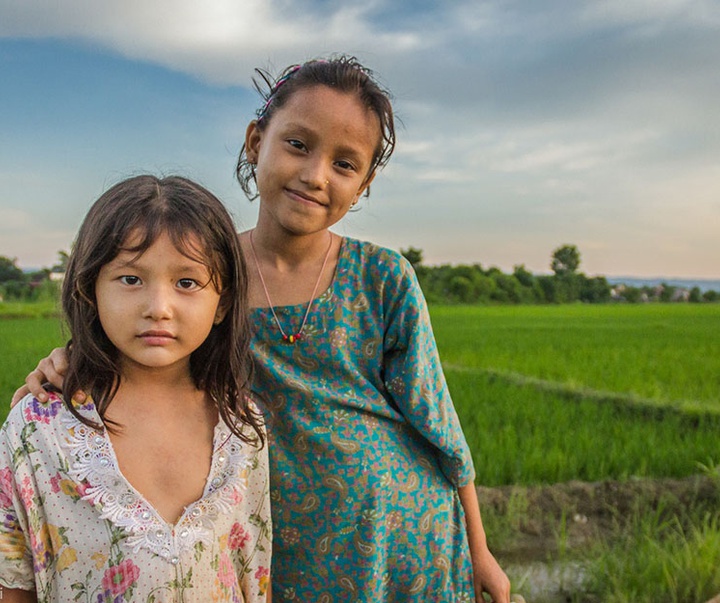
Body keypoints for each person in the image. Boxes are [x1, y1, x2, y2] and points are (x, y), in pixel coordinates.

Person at [14, 57, 510, 602]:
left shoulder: (384, 276)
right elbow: (136, 325)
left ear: (363, 184)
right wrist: (69, 360)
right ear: (256, 142)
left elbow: (440, 422)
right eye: (298, 144)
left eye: (345, 164)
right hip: (285, 539)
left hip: (404, 539)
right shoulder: (201, 272)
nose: (316, 174)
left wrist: (479, 548)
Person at [1, 176, 272, 602]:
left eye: (187, 283)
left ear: (222, 303)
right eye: (130, 279)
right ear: (89, 291)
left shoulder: (242, 427)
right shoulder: (37, 430)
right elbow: (13, 586)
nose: (157, 308)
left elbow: (253, 576)